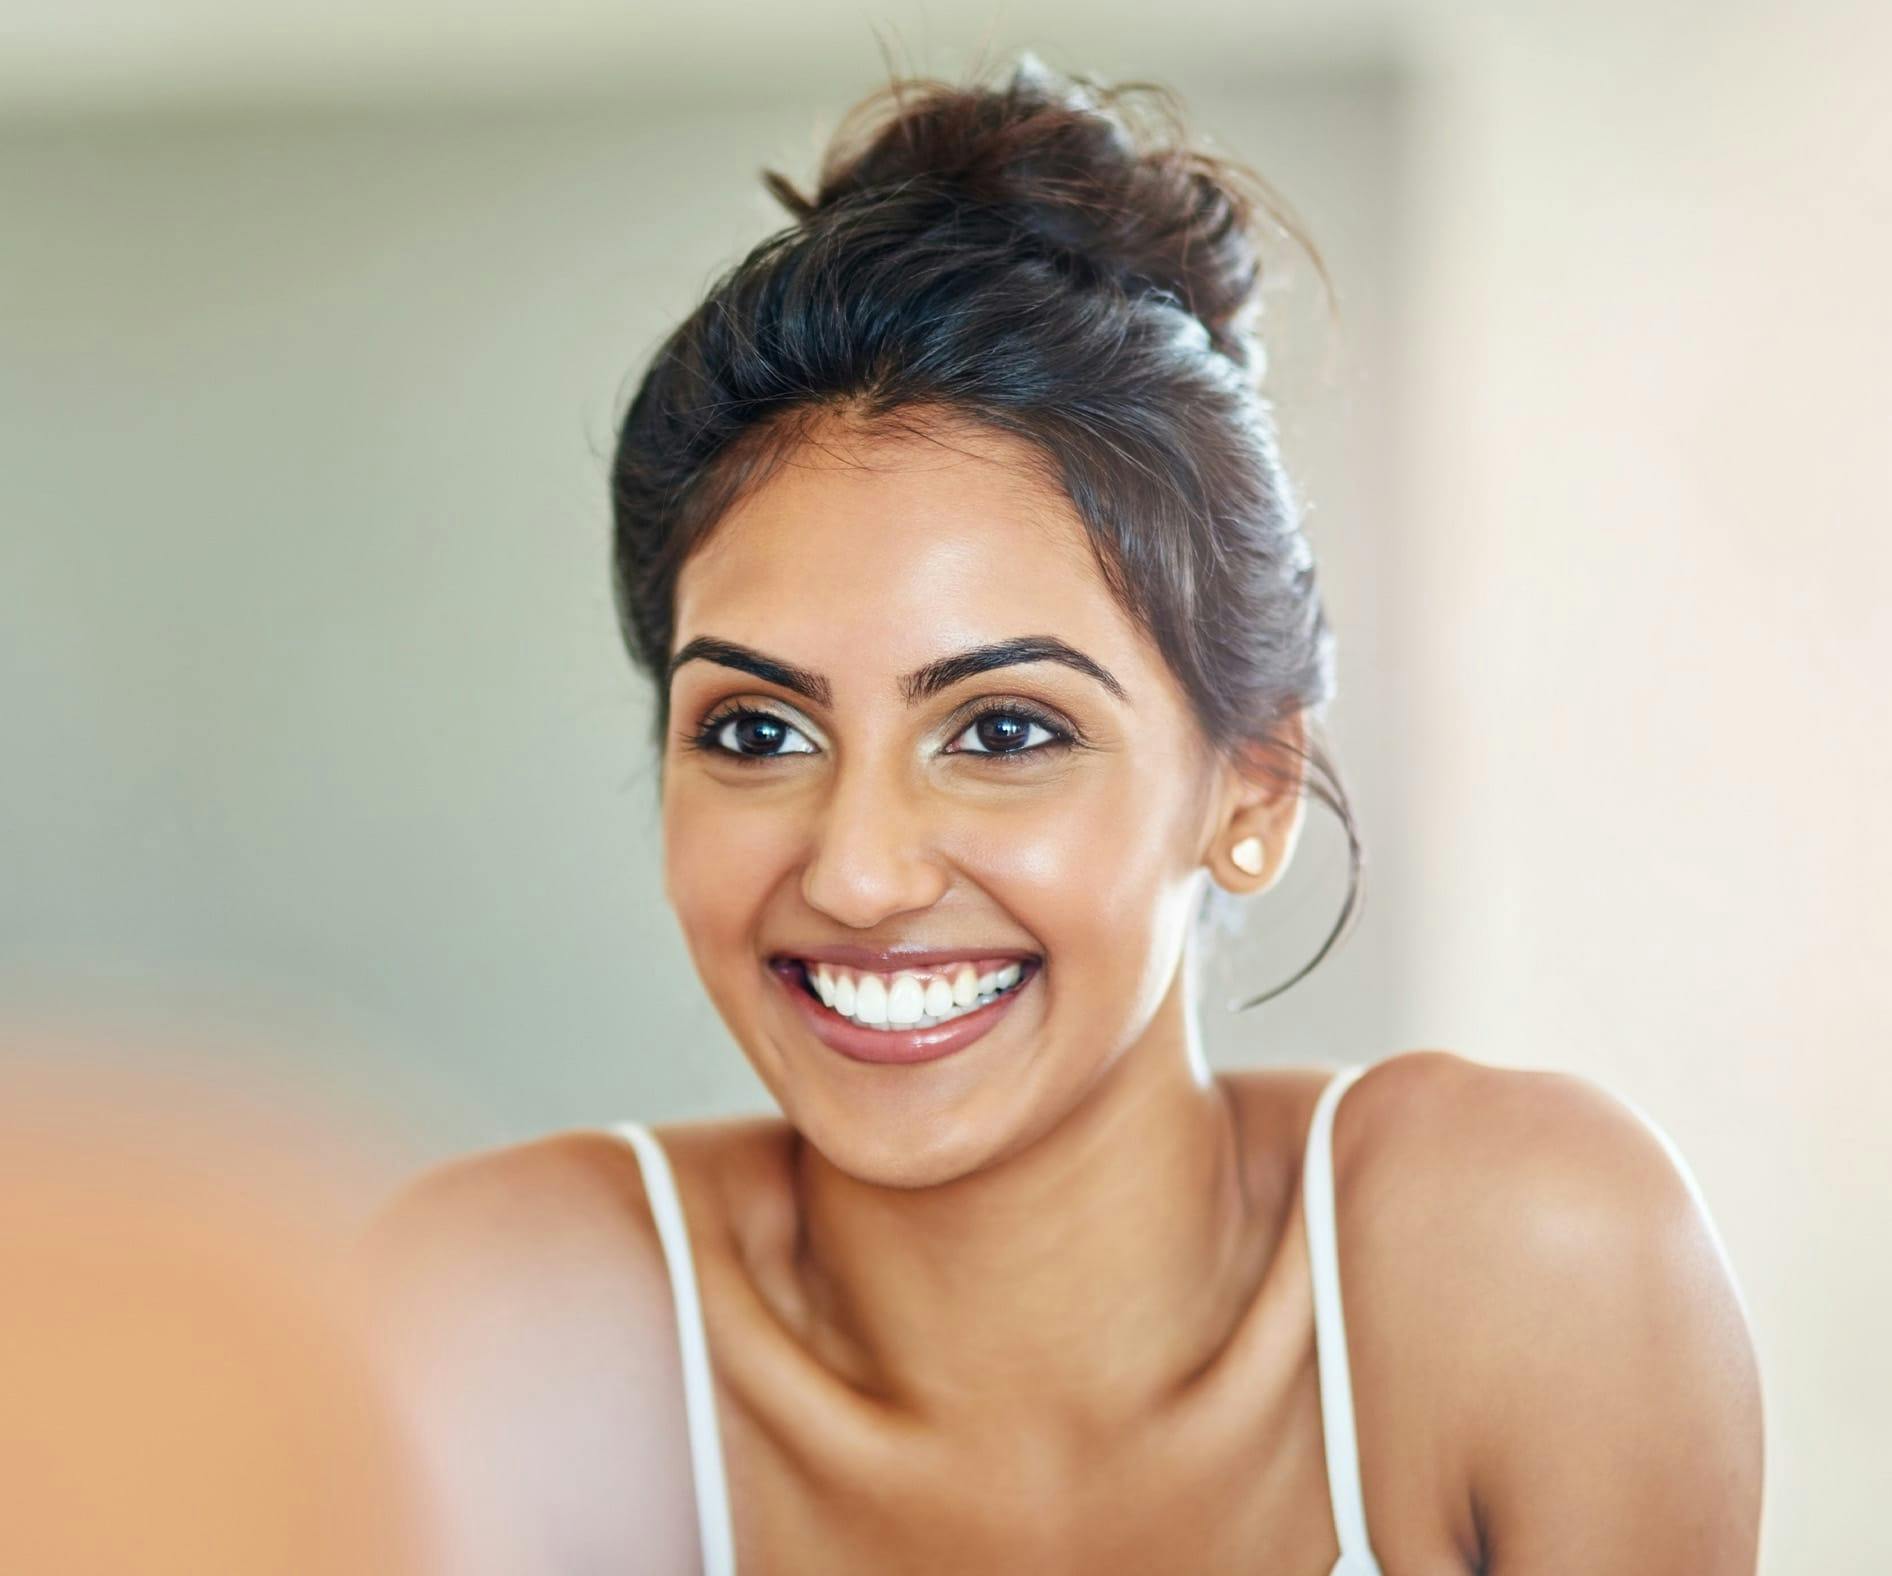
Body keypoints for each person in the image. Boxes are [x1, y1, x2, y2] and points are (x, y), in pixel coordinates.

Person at [357, 54, 1763, 1573]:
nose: (860, 872)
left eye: (1005, 728)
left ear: (1254, 782)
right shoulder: (497, 1330)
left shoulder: (1526, 1266)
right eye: (758, 729)